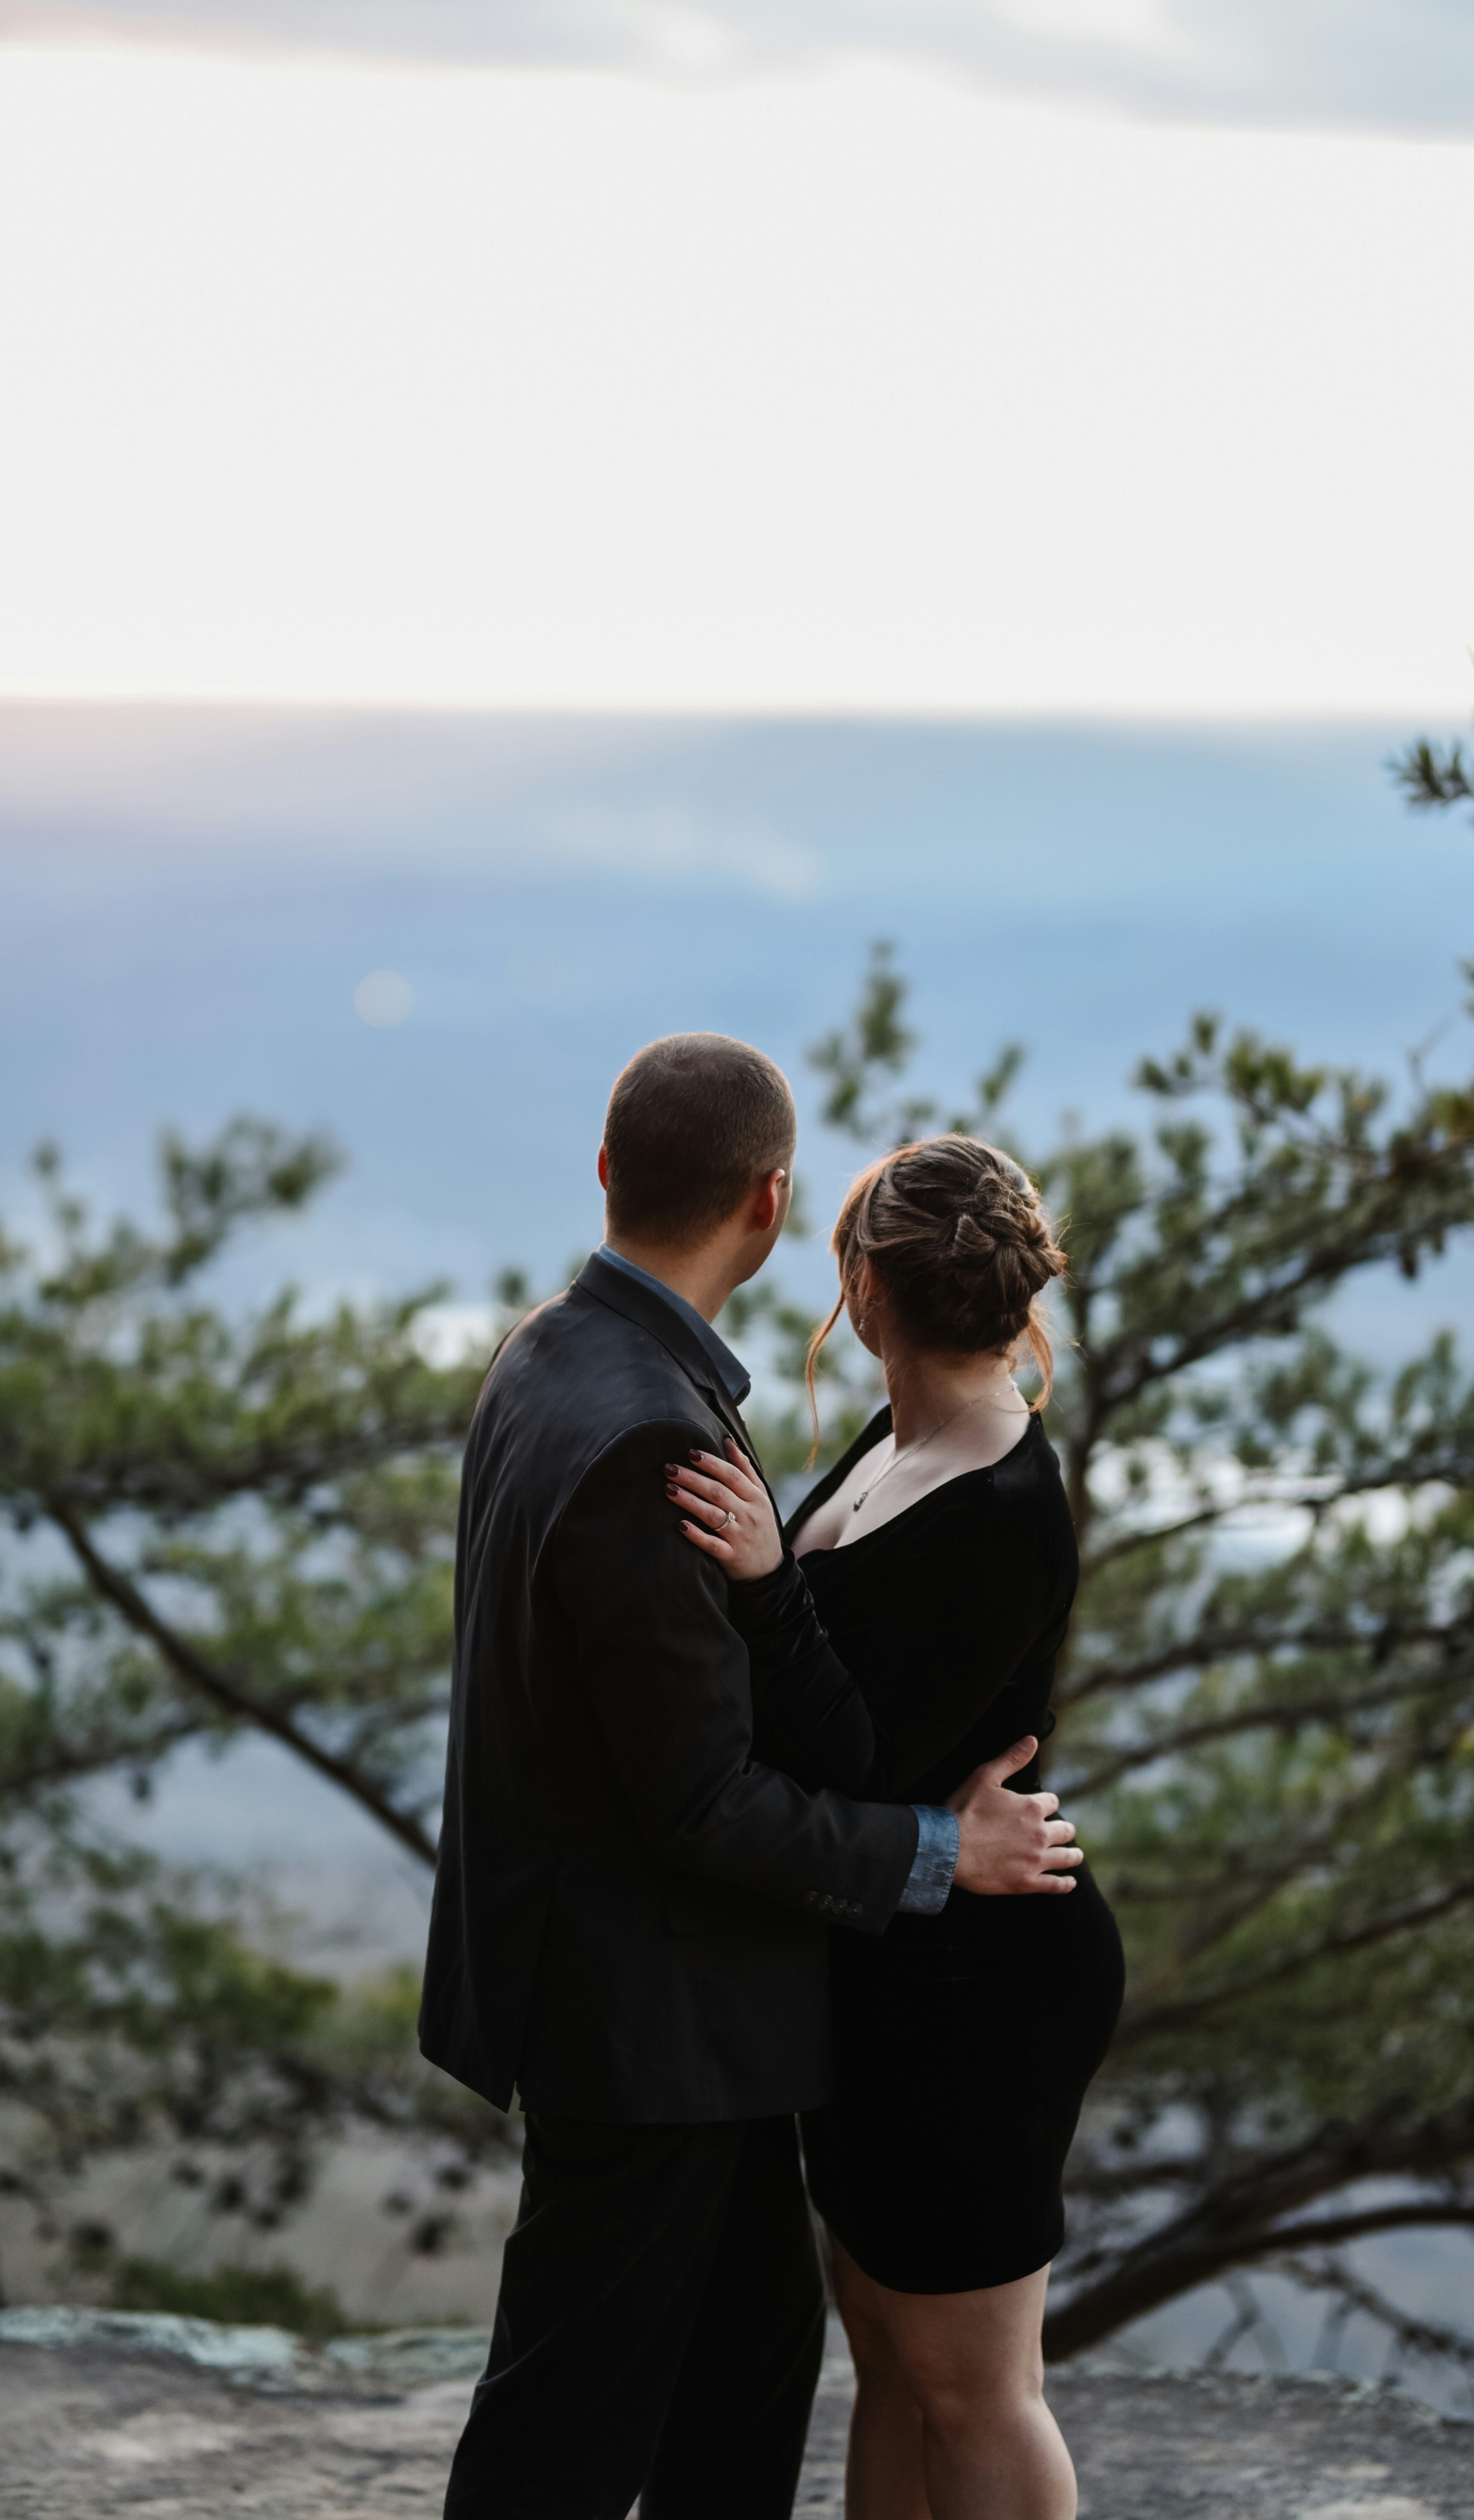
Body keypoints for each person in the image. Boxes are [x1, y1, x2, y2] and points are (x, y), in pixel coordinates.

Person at [418, 1036, 1083, 2520]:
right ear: (772, 1207)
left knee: (749, 2373)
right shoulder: (649, 1422)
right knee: (567, 2430)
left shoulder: (557, 1351)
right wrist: (936, 1851)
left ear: (608, 1171)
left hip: (675, 2005)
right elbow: (702, 1797)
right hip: (646, 2019)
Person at [664, 1133, 1124, 2520]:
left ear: (866, 1292)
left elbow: (863, 1760)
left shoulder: (998, 1500)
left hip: (983, 1986)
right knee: (888, 2358)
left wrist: (762, 1584)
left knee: (977, 2391)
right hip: (893, 1961)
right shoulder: (908, 1435)